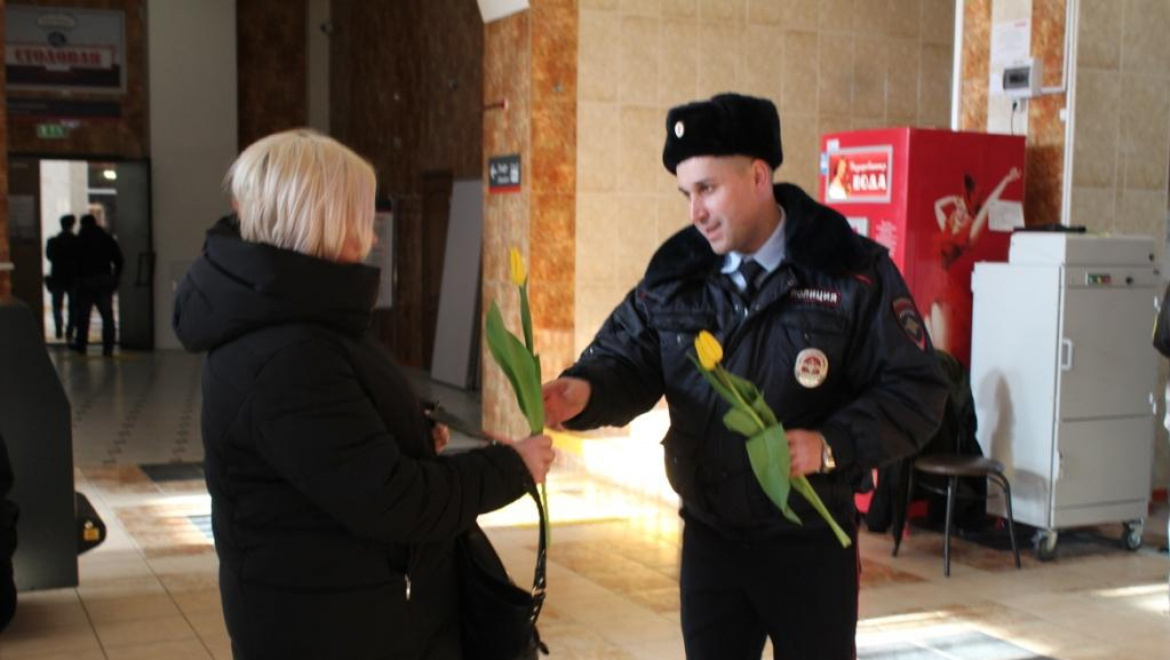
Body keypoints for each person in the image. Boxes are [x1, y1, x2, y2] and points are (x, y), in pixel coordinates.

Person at [542, 93, 948, 660]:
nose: (695, 212)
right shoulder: (675, 275)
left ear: (759, 175)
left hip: (810, 541)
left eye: (707, 189)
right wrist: (579, 392)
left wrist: (830, 445)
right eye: (686, 194)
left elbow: (918, 390)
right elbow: (628, 359)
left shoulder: (852, 272)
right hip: (712, 541)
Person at [172, 129, 555, 660]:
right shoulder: (287, 352)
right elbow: (395, 501)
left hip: (350, 607)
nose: (374, 237)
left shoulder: (296, 317)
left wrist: (406, 432)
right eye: (362, 217)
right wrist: (513, 466)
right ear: (320, 218)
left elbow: (336, 446)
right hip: (330, 625)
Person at [926, 167, 1021, 359]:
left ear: (972, 218)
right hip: (933, 288)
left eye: (966, 213)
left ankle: (948, 387)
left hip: (946, 294)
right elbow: (937, 205)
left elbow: (987, 207)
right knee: (928, 351)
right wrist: (954, 199)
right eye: (959, 209)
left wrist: (1006, 180)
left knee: (941, 355)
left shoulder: (968, 236)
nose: (960, 214)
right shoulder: (947, 227)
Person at [73, 214, 124, 356]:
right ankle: (108, 347)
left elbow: (74, 263)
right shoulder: (106, 239)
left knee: (83, 316)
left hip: (85, 282)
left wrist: (76, 280)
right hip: (104, 281)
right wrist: (115, 277)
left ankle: (81, 345)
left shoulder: (80, 240)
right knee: (107, 316)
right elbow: (119, 259)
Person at [44, 214, 79, 342]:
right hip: (73, 277)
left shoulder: (53, 241)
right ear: (72, 225)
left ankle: (58, 328)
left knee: (56, 305)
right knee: (73, 306)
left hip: (57, 276)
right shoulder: (77, 241)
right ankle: (70, 331)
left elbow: (49, 256)